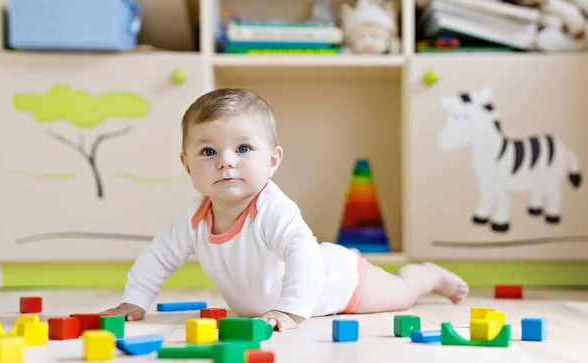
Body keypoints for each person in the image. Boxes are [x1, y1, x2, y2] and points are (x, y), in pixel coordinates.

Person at [103, 88, 469, 331]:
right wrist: (134, 301)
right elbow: (158, 257)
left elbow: (302, 253)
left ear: (273, 160)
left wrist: (291, 309)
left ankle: (426, 275)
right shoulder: (195, 218)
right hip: (290, 290)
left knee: (401, 297)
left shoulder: (270, 208)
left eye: (243, 149)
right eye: (208, 152)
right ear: (187, 165)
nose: (226, 162)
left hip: (340, 284)